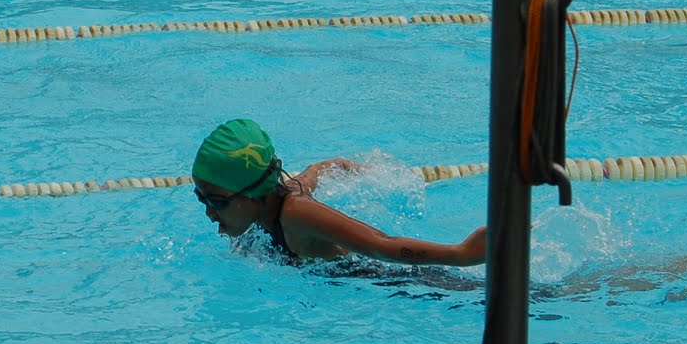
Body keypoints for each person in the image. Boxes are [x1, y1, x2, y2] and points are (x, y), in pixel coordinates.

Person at [190, 118, 487, 266]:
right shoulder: (278, 195)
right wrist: (339, 165)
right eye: (201, 198)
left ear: (253, 193)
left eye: (216, 201)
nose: (208, 211)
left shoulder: (296, 213)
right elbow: (313, 171)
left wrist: (461, 253)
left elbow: (379, 244)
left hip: (401, 286)